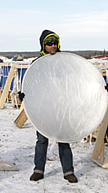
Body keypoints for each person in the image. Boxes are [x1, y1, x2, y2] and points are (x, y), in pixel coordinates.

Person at [29, 30, 78, 183]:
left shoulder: (63, 63)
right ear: (44, 45)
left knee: (63, 139)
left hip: (60, 107)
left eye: (55, 43)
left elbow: (73, 82)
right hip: (43, 107)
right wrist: (24, 95)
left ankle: (68, 171)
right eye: (49, 43)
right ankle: (38, 170)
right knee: (42, 139)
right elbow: (30, 84)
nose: (53, 46)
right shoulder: (36, 64)